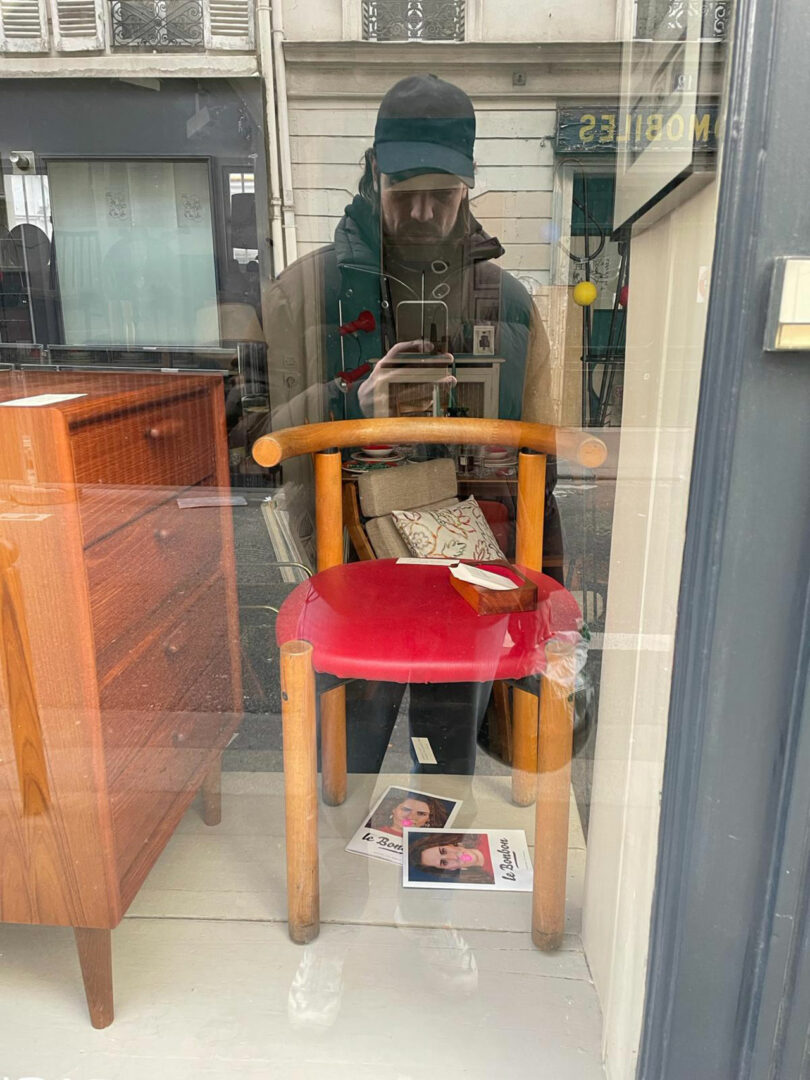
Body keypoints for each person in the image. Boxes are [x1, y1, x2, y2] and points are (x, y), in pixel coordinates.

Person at [264, 73, 562, 775]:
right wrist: (350, 405)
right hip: (345, 557)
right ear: (373, 174)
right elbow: (252, 440)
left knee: (449, 738)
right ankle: (341, 845)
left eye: (444, 192)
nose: (424, 210)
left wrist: (541, 571)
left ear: (469, 186)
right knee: (349, 738)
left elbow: (541, 459)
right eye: (405, 190)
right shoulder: (306, 292)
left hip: (470, 567)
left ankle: (438, 845)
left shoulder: (510, 305)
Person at [407, 832, 495, 885]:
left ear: (450, 844)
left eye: (443, 851)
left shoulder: (486, 836)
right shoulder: (490, 878)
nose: (453, 857)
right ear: (450, 869)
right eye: (444, 862)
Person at [367, 790, 451, 837]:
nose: (410, 816)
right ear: (394, 809)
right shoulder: (373, 832)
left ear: (429, 819)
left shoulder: (428, 844)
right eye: (405, 809)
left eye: (421, 813)